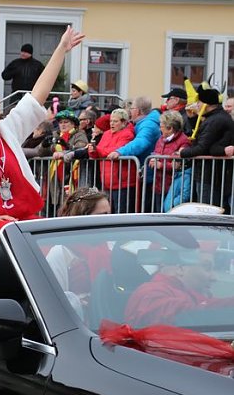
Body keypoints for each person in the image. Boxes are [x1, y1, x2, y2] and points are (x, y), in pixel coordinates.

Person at [0, 26, 86, 255]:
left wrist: (62, 49)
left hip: (19, 226)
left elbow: (37, 95)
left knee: (69, 249)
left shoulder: (6, 130)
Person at [45, 187, 111, 319]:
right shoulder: (60, 252)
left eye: (109, 215)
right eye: (101, 216)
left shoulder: (111, 247)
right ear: (82, 217)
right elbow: (55, 304)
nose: (108, 221)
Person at [124, 249, 227, 326]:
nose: (214, 277)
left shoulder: (185, 291)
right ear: (181, 268)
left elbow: (208, 305)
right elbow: (187, 314)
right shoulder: (151, 292)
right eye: (207, 268)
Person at [64, 108, 136, 214]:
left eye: (115, 121)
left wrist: (97, 149)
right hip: (107, 181)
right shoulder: (106, 134)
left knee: (120, 213)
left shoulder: (127, 134)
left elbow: (114, 150)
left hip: (122, 182)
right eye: (111, 121)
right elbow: (99, 152)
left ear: (124, 122)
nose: (112, 123)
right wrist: (92, 150)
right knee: (108, 212)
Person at [177, 84, 234, 211]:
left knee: (208, 210)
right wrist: (192, 119)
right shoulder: (213, 118)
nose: (196, 105)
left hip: (211, 176)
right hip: (208, 173)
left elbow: (202, 147)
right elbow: (204, 139)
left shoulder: (215, 120)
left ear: (206, 104)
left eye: (199, 102)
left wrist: (182, 153)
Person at [146, 110, 191, 213]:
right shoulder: (161, 139)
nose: (159, 129)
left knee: (169, 214)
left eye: (161, 126)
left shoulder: (183, 141)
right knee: (158, 213)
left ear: (170, 128)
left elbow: (179, 165)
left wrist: (161, 165)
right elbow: (157, 153)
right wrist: (153, 159)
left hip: (172, 186)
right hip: (158, 184)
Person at [0, 43, 44, 114]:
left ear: (30, 54)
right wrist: (14, 72)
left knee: (31, 114)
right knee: (14, 113)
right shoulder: (15, 63)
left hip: (32, 95)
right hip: (16, 95)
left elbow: (44, 79)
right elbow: (4, 76)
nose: (23, 54)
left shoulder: (37, 65)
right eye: (22, 51)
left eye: (26, 52)